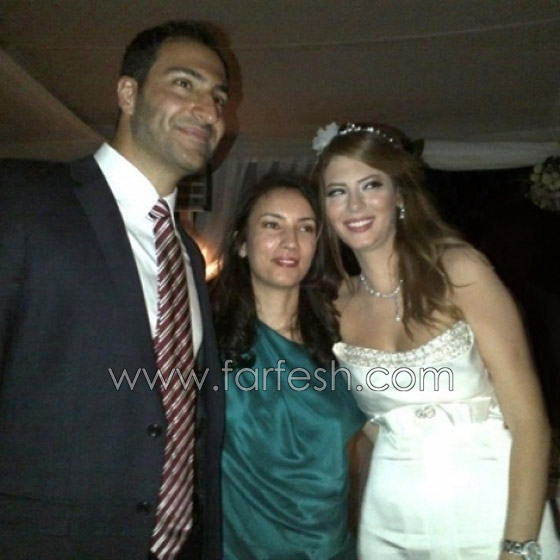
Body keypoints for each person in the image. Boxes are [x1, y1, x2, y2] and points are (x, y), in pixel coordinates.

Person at [0, 20, 231, 559]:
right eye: (185, 84)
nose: (208, 110)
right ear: (128, 93)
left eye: (219, 98)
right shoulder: (24, 198)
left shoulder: (189, 254)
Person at [312, 122, 560, 559]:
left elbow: (530, 422)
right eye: (337, 192)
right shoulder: (336, 306)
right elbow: (361, 426)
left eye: (371, 185)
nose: (354, 205)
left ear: (400, 195)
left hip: (495, 510)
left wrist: (518, 546)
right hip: (391, 525)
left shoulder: (460, 272)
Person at [211, 173, 365, 559]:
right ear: (241, 243)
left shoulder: (344, 342)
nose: (290, 242)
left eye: (305, 228)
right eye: (272, 225)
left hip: (332, 549)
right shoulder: (207, 340)